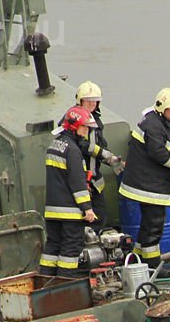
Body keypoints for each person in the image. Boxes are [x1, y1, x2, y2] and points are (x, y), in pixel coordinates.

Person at [119, 87, 170, 268]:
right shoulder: (153, 126)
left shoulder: (160, 122)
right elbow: (159, 153)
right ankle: (151, 265)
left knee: (147, 225)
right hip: (147, 185)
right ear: (162, 108)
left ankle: (136, 261)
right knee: (154, 226)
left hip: (148, 183)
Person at [40, 105, 97, 277]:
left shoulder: (55, 145)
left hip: (52, 210)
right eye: (84, 127)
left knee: (52, 247)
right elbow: (77, 182)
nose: (86, 132)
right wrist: (87, 208)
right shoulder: (73, 150)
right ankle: (65, 285)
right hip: (70, 212)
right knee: (70, 249)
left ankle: (45, 280)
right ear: (74, 126)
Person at [74, 80, 122, 232]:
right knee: (84, 221)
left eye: (94, 101)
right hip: (79, 180)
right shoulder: (74, 119)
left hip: (94, 180)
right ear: (80, 101)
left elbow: (102, 145)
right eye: (88, 101)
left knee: (100, 217)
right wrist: (105, 155)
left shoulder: (96, 121)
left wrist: (113, 160)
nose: (91, 104)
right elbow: (82, 144)